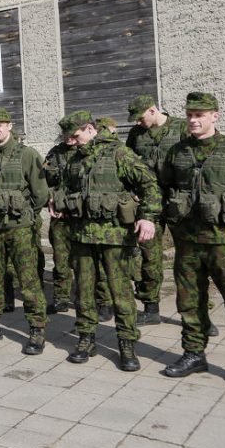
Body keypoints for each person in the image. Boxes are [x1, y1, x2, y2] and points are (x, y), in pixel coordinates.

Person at [159, 92, 225, 394]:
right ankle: (194, 354)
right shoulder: (177, 152)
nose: (193, 119)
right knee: (189, 302)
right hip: (188, 242)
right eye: (190, 114)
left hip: (224, 243)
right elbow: (165, 188)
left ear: (215, 115)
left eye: (200, 114)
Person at [53, 111, 161, 371]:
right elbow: (66, 188)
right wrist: (59, 202)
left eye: (76, 136)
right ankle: (86, 338)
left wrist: (148, 218)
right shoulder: (75, 161)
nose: (73, 141)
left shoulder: (118, 153)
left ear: (90, 129)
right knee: (84, 290)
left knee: (120, 292)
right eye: (69, 137)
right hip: (81, 236)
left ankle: (126, 343)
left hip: (114, 236)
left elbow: (150, 185)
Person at [0, 107, 50, 354]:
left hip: (19, 229)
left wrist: (24, 215)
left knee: (28, 280)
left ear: (10, 126)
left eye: (0, 125)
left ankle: (37, 329)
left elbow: (41, 193)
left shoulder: (26, 155)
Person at [125, 94, 189, 326]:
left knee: (189, 259)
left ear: (153, 111)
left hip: (180, 203)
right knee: (147, 255)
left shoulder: (182, 128)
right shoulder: (136, 134)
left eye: (141, 117)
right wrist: (131, 189)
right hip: (150, 203)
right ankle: (150, 307)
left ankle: (195, 314)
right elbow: (129, 162)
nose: (138, 122)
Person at [43, 121, 79, 313]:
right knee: (60, 259)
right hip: (59, 216)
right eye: (65, 134)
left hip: (82, 216)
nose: (69, 138)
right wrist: (49, 199)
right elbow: (43, 180)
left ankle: (88, 298)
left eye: (72, 133)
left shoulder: (88, 152)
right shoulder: (53, 154)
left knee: (84, 260)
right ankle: (61, 298)